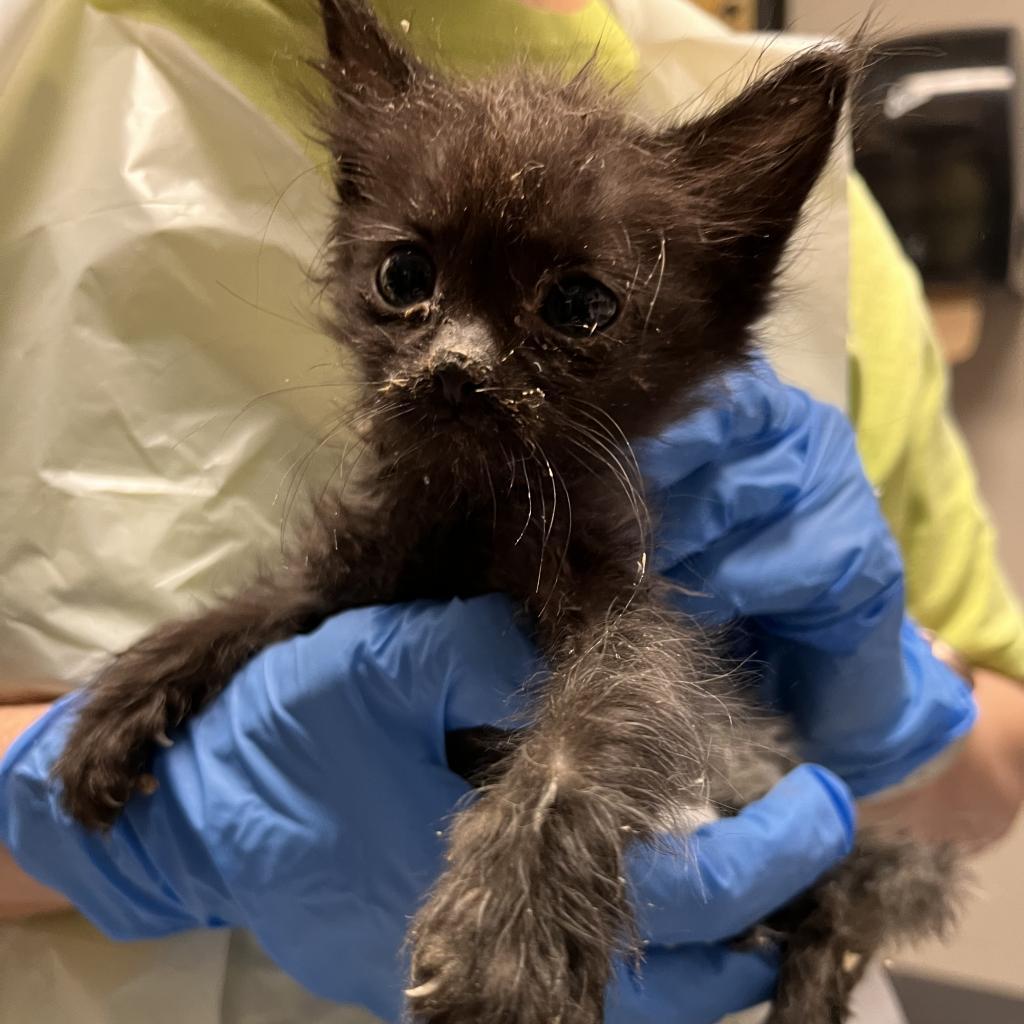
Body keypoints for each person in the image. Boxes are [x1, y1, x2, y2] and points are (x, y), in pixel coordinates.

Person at [2, 3, 1023, 1024]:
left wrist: (898, 707)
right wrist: (181, 814)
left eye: (574, 308)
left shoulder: (846, 240)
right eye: (408, 279)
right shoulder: (32, 71)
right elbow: (321, 585)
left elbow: (994, 768)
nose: (454, 355)